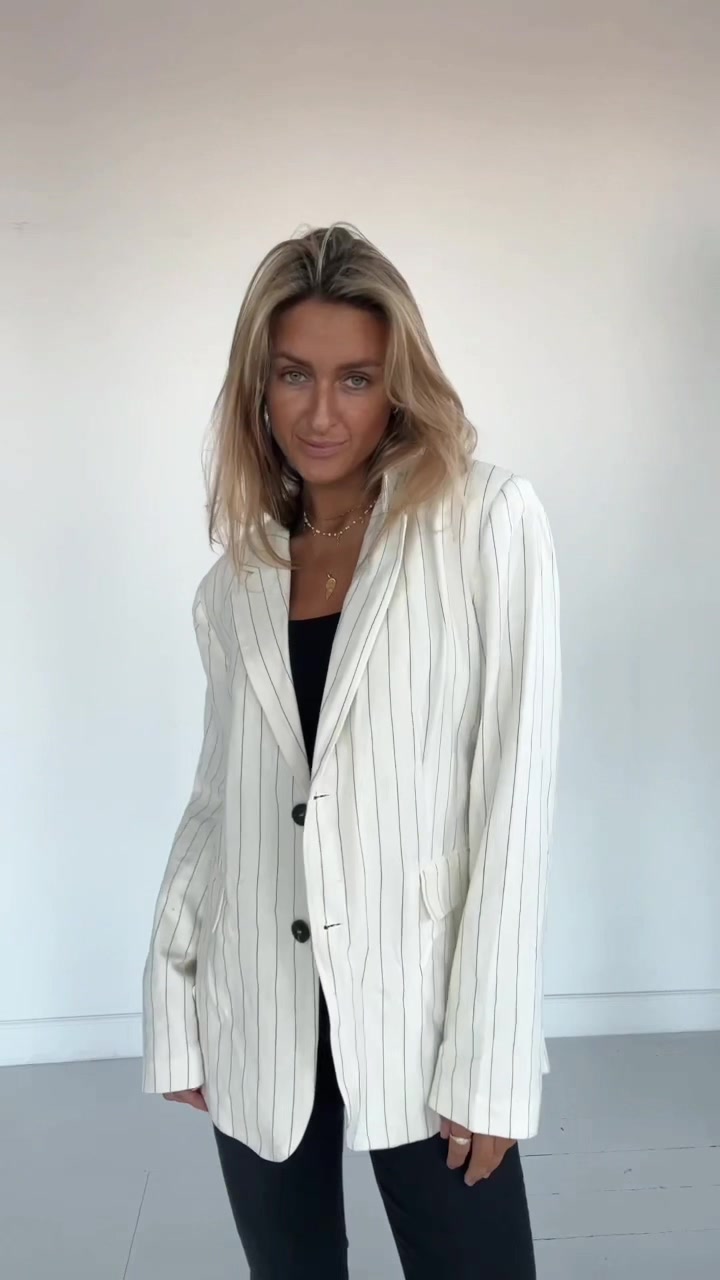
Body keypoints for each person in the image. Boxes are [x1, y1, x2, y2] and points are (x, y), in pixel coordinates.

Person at [142, 224, 561, 1279]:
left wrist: (495, 1057)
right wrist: (174, 995)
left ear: (398, 387)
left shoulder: (486, 523)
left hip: (420, 1008)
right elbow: (219, 805)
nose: (321, 412)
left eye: (356, 378)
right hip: (257, 999)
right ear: (259, 386)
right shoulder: (236, 580)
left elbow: (512, 803)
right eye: (294, 375)